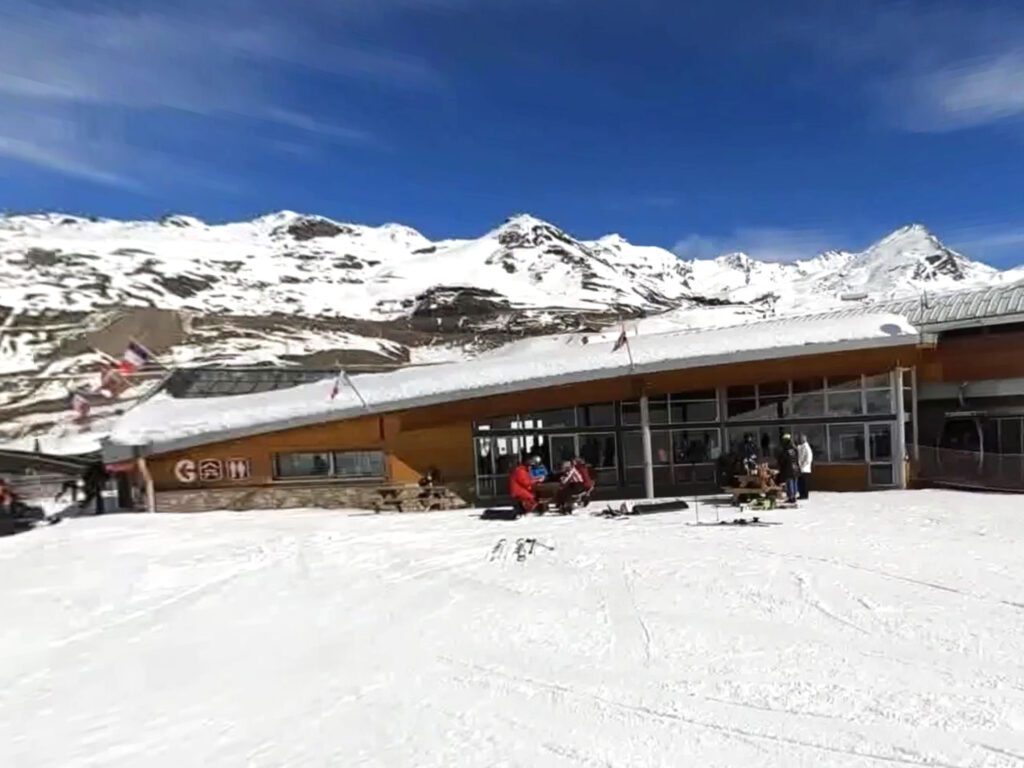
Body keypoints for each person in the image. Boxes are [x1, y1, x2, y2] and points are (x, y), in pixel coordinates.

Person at [776, 433, 801, 504]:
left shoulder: (786, 449)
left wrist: (779, 463)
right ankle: (794, 496)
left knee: (790, 483)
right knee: (794, 482)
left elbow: (783, 459)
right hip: (795, 468)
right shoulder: (794, 448)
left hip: (789, 468)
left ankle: (791, 497)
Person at [796, 435, 813, 500]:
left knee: (804, 483)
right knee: (801, 483)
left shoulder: (807, 447)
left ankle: (805, 495)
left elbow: (808, 458)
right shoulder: (801, 446)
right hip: (801, 468)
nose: (800, 440)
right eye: (800, 439)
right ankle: (801, 494)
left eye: (801, 439)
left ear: (805, 439)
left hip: (805, 468)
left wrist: (803, 465)